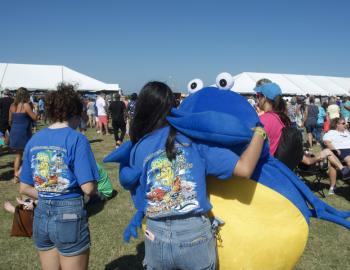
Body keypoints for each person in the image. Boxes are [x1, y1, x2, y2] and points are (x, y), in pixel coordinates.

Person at [129, 81, 265, 270]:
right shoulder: (195, 142)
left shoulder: (138, 149)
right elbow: (245, 168)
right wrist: (259, 132)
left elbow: (140, 199)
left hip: (155, 235)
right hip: (193, 234)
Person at [18, 83, 98, 270]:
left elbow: (24, 187)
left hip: (41, 215)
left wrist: (50, 195)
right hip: (70, 214)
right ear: (75, 113)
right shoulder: (77, 139)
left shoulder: (34, 140)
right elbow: (88, 187)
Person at [254, 80, 290, 156]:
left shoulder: (263, 120)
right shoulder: (279, 117)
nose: (257, 99)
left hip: (261, 163)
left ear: (264, 98)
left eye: (258, 96)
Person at [9, 87, 37, 183]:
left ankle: (16, 177)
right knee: (29, 153)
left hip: (14, 130)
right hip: (24, 131)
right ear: (26, 95)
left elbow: (10, 121)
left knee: (18, 155)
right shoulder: (26, 105)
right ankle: (25, 175)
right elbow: (34, 117)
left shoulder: (12, 106)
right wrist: (35, 109)